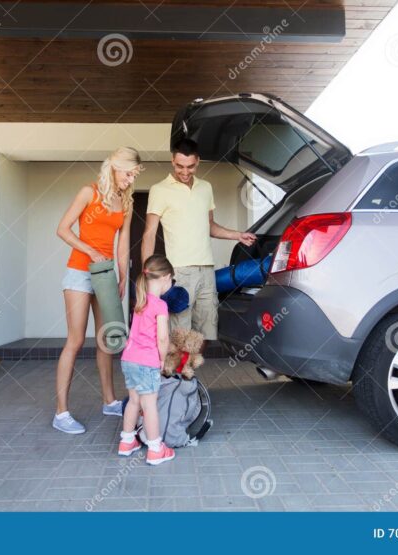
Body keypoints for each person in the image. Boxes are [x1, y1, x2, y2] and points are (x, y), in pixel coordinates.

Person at [53, 147, 141, 434]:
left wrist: (123, 277)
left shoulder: (125, 202)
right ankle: (61, 413)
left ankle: (109, 401)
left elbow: (123, 243)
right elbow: (63, 229)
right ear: (115, 167)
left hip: (105, 276)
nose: (130, 179)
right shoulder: (88, 192)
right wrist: (90, 250)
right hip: (79, 272)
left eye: (134, 175)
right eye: (128, 173)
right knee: (75, 341)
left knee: (106, 340)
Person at [141, 139, 256, 351]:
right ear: (172, 161)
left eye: (190, 166)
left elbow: (209, 226)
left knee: (202, 336)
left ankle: (189, 379)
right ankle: (176, 381)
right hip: (178, 271)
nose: (185, 172)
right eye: (179, 166)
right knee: (179, 335)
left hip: (206, 270)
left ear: (198, 162)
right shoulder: (160, 190)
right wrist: (147, 274)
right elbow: (149, 234)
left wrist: (237, 235)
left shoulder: (206, 188)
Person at [117, 254, 176, 465]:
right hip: (146, 362)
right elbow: (162, 337)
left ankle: (126, 442)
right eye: (172, 281)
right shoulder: (160, 305)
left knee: (134, 401)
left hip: (129, 359)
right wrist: (162, 358)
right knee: (150, 405)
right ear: (166, 278)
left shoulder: (140, 301)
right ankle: (155, 448)